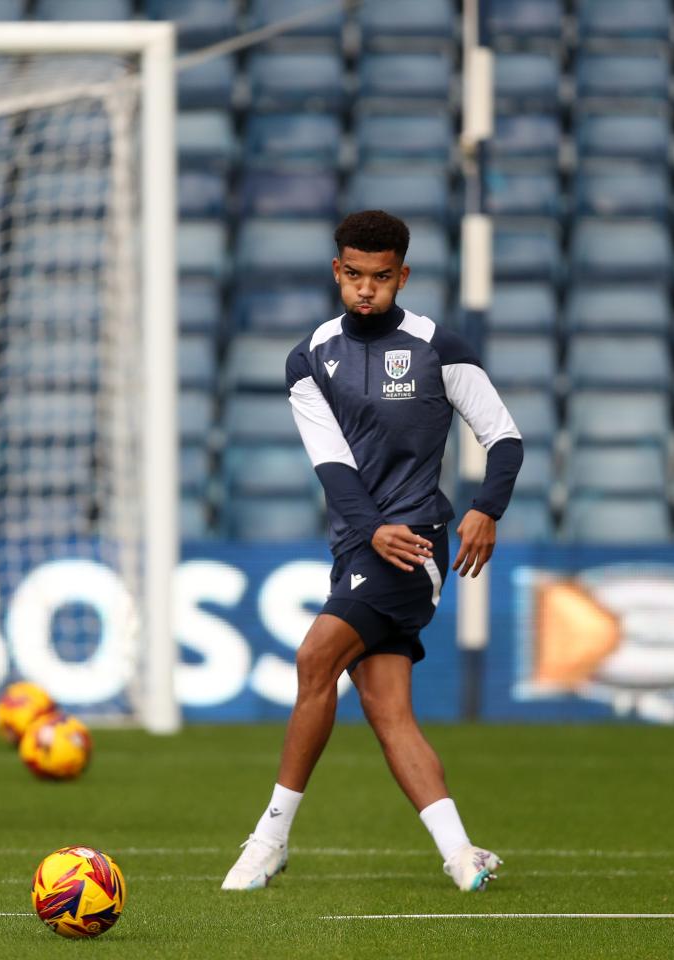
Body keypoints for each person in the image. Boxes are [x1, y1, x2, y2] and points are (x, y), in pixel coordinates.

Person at [221, 210, 523, 892]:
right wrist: (370, 529)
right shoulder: (309, 359)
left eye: (381, 278)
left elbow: (504, 438)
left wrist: (485, 509)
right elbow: (332, 467)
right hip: (361, 545)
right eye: (354, 275)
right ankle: (461, 853)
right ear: (337, 271)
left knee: (314, 658)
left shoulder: (439, 348)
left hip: (415, 545)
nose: (366, 290)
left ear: (402, 276)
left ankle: (269, 838)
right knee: (388, 710)